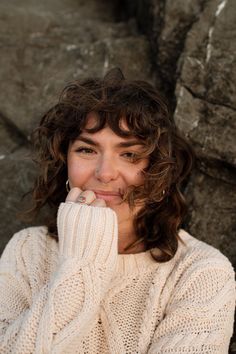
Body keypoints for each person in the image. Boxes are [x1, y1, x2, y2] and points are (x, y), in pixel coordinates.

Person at [0, 68, 235, 354]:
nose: (105, 173)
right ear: (65, 161)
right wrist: (80, 262)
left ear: (158, 171)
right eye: (87, 150)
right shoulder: (28, 250)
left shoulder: (201, 272)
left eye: (130, 154)